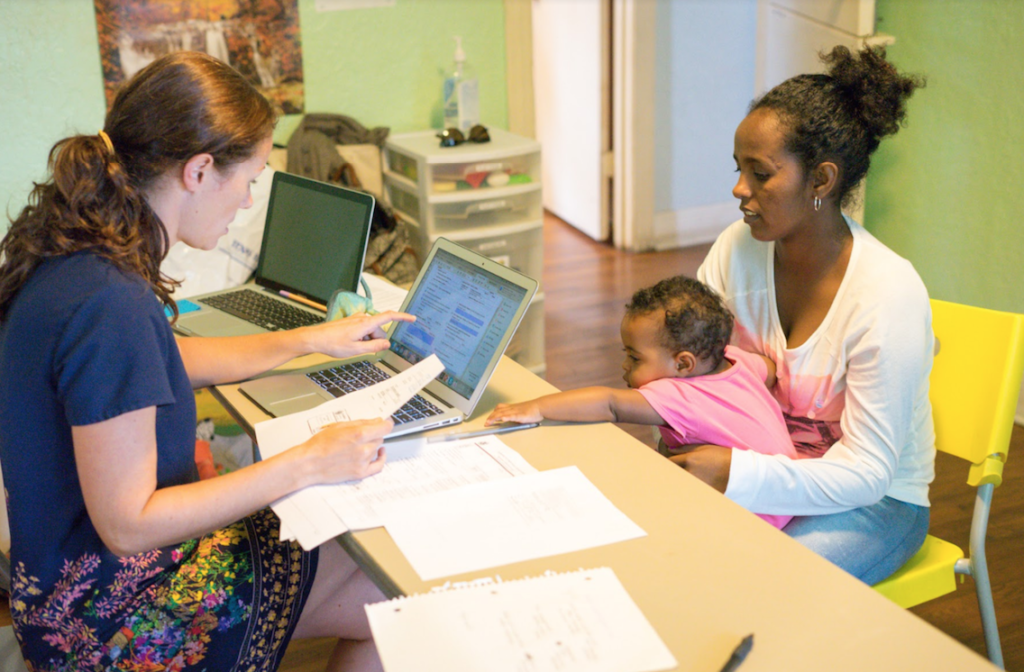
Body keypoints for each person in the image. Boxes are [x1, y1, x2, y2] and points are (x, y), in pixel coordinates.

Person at [0, 51, 415, 671]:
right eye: (248, 180)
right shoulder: (110, 302)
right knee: (395, 593)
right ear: (198, 171)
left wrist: (308, 341)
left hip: (59, 593)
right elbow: (130, 525)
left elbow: (164, 363)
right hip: (110, 620)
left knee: (334, 546)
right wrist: (307, 461)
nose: (248, 201)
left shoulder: (73, 252)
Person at [678, 46, 933, 585]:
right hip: (761, 467)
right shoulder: (735, 250)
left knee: (754, 585)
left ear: (820, 180)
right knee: (667, 555)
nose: (739, 189)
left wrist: (738, 474)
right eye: (738, 168)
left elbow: (866, 473)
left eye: (761, 173)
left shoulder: (887, 296)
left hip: (873, 503)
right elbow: (689, 365)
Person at [486, 275, 799, 529]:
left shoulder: (680, 396)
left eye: (634, 357)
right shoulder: (738, 362)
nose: (624, 366)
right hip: (787, 492)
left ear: (683, 364)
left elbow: (609, 404)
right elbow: (769, 371)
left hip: (753, 516)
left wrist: (537, 407)